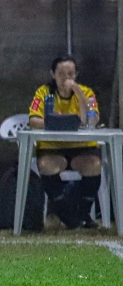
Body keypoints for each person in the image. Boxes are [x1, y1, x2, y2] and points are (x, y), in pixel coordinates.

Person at [28, 54, 101, 230]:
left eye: (70, 74)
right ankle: (67, 214)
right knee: (46, 166)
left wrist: (78, 92)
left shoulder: (86, 92)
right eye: (61, 74)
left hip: (81, 147)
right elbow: (33, 120)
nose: (66, 79)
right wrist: (56, 124)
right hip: (53, 147)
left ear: (76, 75)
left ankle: (84, 213)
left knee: (94, 165)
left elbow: (91, 120)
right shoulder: (43, 93)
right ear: (53, 74)